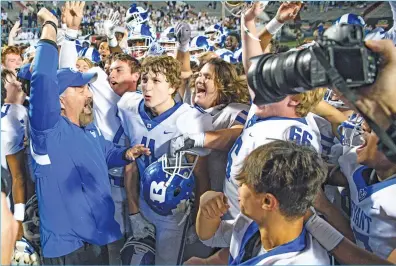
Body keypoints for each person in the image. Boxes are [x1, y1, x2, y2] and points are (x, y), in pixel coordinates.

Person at [30, 6, 150, 264]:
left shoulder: (89, 127)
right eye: (81, 88)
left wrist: (125, 154)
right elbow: (42, 77)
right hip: (67, 248)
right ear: (58, 100)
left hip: (96, 240)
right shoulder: (48, 131)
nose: (90, 94)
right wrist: (50, 26)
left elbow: (105, 152)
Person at [117, 55, 213, 264]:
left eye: (156, 81)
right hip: (141, 201)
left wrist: (197, 218)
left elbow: (200, 175)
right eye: (144, 79)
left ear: (172, 87)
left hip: (173, 212)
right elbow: (130, 166)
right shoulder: (129, 106)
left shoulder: (191, 120)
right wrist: (133, 212)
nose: (147, 87)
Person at [197, 140, 329, 264]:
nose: (238, 186)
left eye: (244, 183)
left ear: (267, 201)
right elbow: (212, 236)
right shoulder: (253, 222)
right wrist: (207, 210)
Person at [1, 69, 29, 241]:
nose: (19, 84)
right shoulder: (12, 118)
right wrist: (19, 220)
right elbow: (18, 177)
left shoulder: (15, 112)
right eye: (13, 81)